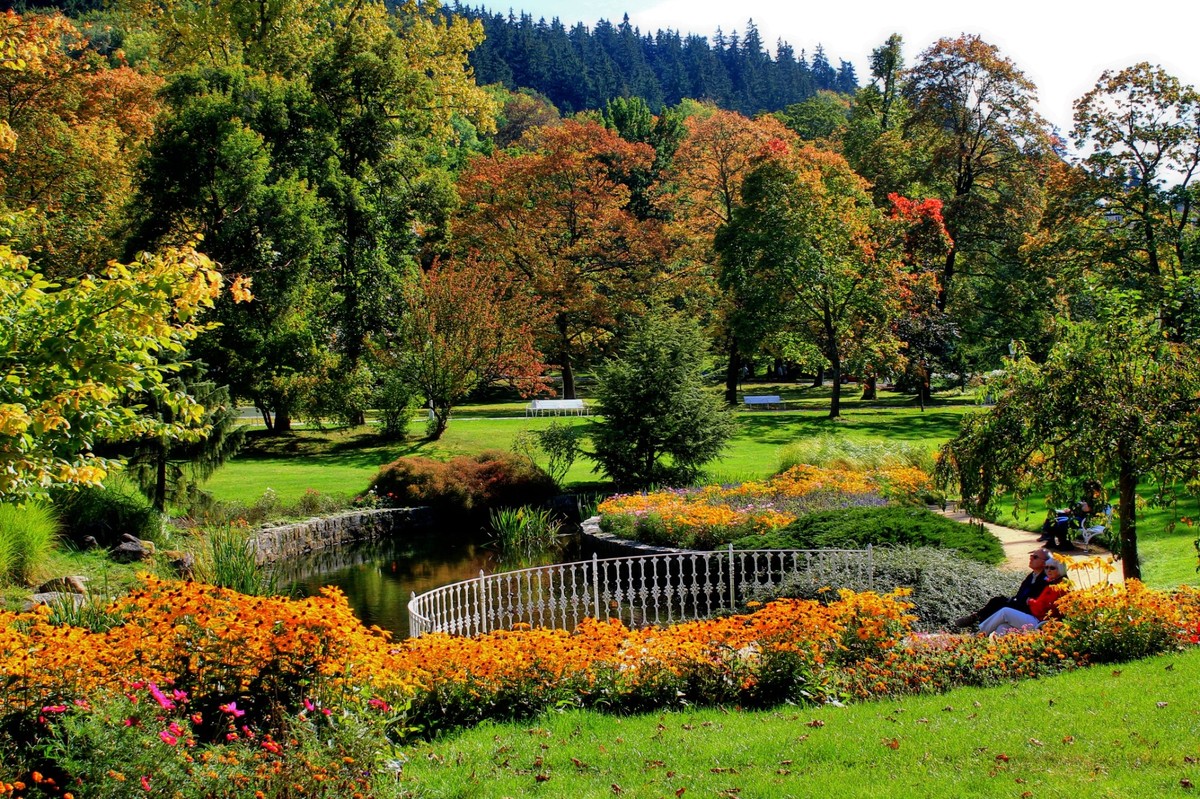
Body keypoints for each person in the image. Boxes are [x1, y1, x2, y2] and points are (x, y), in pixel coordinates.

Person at [953, 548, 1050, 629]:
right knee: (1000, 622)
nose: (1031, 558)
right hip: (1022, 607)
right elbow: (1020, 595)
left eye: (1035, 557)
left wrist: (1018, 601)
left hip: (1032, 613)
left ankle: (977, 627)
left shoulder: (1046, 580)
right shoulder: (1032, 576)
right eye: (1031, 556)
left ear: (1044, 563)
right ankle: (977, 621)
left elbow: (1034, 600)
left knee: (1002, 607)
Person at [977, 558, 1068, 635]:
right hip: (1037, 619)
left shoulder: (1059, 586)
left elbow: (1041, 609)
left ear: (1060, 569)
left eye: (1052, 568)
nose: (1048, 570)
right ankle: (995, 648)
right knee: (1003, 627)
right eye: (1046, 567)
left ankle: (978, 635)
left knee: (1005, 612)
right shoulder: (1051, 583)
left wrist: (1030, 601)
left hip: (1042, 623)